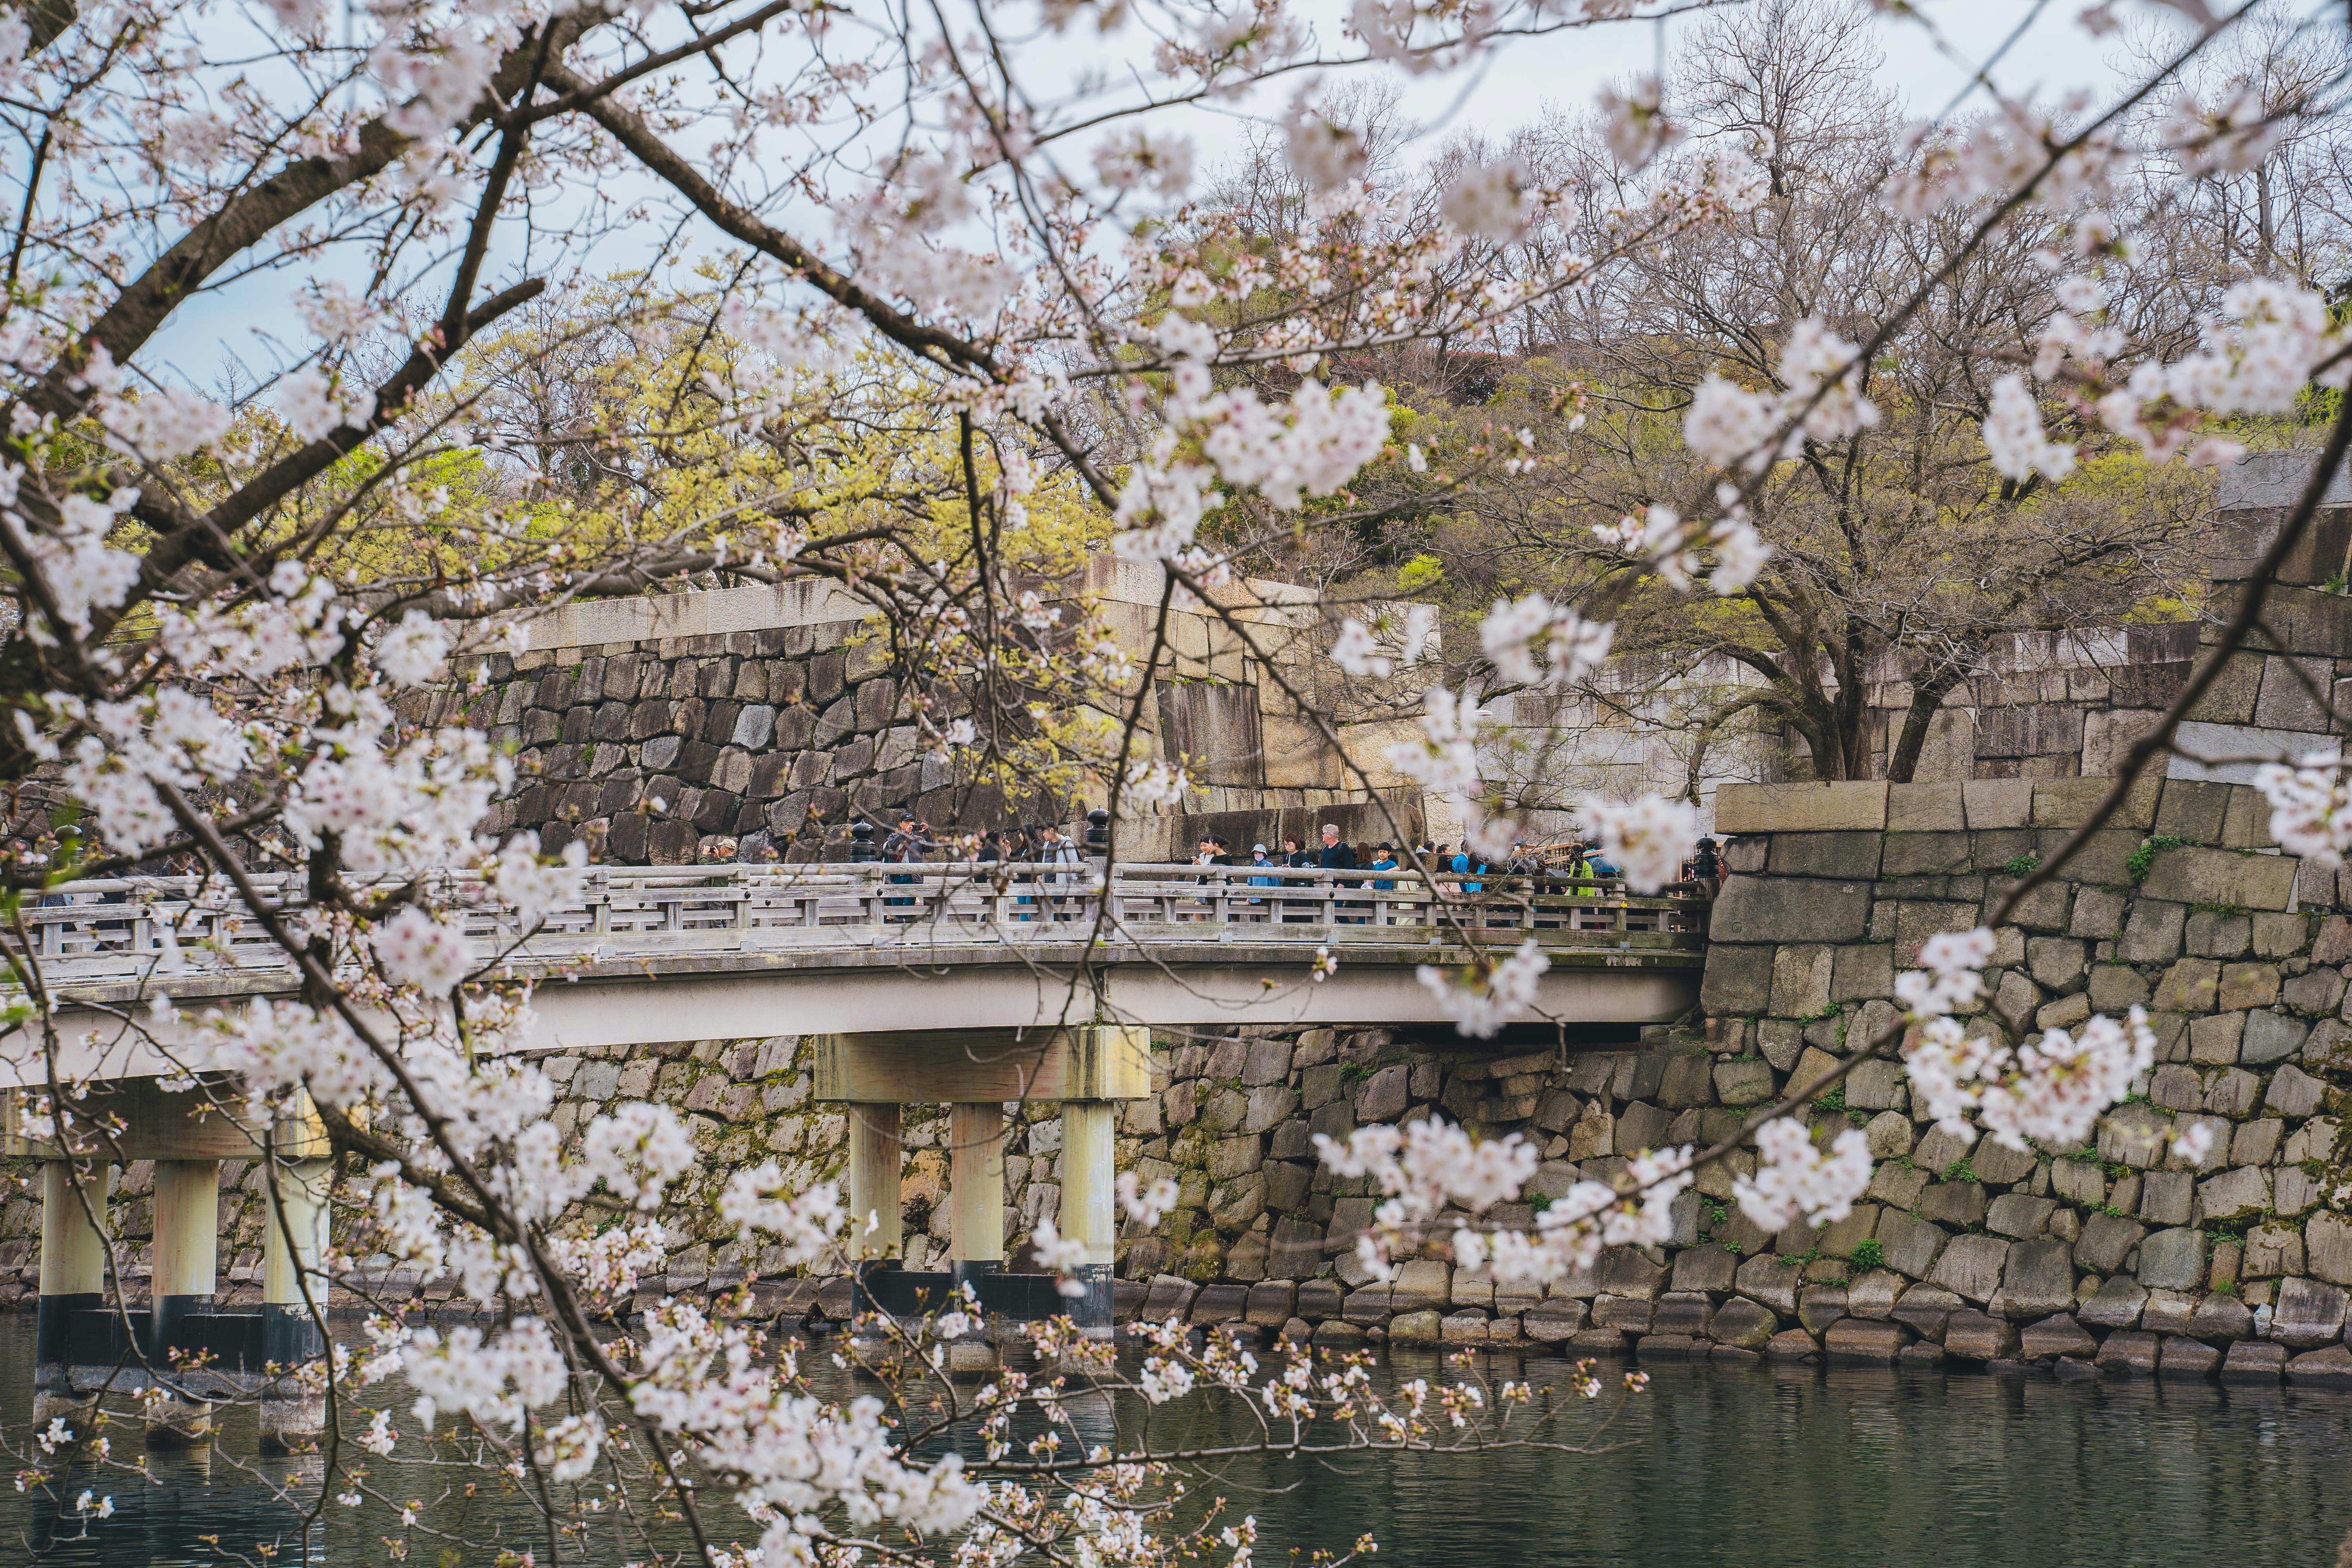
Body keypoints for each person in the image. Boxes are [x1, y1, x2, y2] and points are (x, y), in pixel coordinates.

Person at [1035, 820, 1081, 920]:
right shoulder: (1047, 845)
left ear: (1051, 830)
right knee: (1059, 911)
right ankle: (1068, 928)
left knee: (1056, 911)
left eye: (1045, 832)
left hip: (1061, 883)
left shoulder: (1066, 843)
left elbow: (1073, 863)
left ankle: (1061, 929)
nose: (1043, 835)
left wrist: (1074, 883)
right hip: (1048, 884)